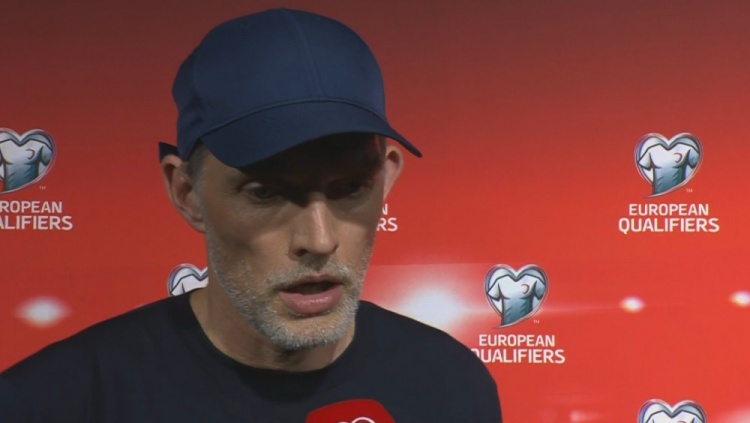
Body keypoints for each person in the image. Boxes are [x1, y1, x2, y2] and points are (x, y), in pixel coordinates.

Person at [0, 8, 502, 422]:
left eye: (351, 188)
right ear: (187, 193)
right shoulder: (51, 401)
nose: (319, 239)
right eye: (264, 192)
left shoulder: (452, 386)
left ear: (387, 177)